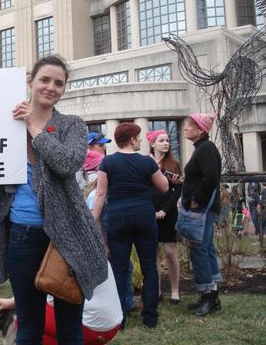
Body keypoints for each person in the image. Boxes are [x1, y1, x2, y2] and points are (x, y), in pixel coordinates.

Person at [0, 55, 108, 344]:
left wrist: (34, 126)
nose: (51, 87)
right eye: (45, 80)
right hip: (23, 236)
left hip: (68, 237)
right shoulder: (4, 122)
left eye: (58, 83)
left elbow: (68, 162)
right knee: (29, 326)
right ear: (30, 82)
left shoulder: (72, 125)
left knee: (69, 327)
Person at [92, 122, 168, 329]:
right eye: (139, 137)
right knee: (149, 267)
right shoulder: (147, 162)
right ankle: (150, 316)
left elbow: (100, 194)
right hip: (144, 216)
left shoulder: (107, 163)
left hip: (118, 219)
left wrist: (94, 221)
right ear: (132, 139)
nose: (141, 140)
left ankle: (120, 318)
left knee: (119, 268)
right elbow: (164, 186)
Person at [0, 262, 122, 345]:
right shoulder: (90, 241)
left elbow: (44, 288)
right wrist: (12, 301)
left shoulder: (58, 252)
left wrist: (15, 303)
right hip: (112, 326)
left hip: (89, 328)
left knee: (25, 321)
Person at [181, 113, 223, 316]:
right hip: (204, 209)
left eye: (190, 125)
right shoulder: (203, 148)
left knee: (200, 251)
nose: (186, 128)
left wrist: (194, 199)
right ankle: (212, 296)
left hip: (202, 209)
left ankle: (208, 296)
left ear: (201, 130)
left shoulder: (206, 148)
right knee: (206, 250)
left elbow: (211, 177)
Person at [146, 130, 182, 304]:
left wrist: (165, 210)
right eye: (161, 140)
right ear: (153, 143)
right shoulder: (146, 162)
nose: (166, 143)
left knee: (170, 253)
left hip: (169, 214)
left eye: (167, 140)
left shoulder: (173, 164)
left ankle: (175, 290)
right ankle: (157, 290)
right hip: (150, 213)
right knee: (154, 254)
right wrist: (151, 210)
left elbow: (177, 190)